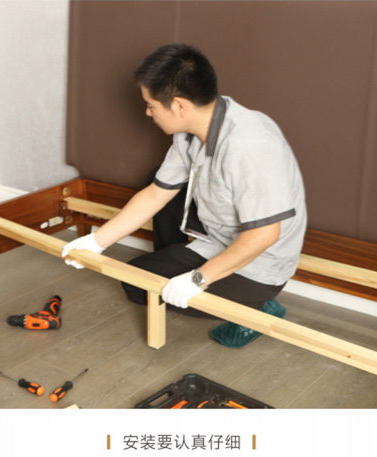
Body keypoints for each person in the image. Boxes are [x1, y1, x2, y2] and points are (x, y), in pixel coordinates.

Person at [62, 43, 307, 347]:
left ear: (179, 105)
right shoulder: (193, 126)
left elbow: (264, 236)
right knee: (138, 276)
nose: (147, 112)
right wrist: (96, 242)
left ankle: (257, 307)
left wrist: (197, 279)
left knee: (148, 287)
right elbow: (157, 193)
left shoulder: (249, 146)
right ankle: (184, 268)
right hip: (220, 235)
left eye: (151, 105)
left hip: (260, 264)